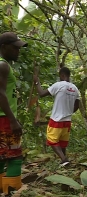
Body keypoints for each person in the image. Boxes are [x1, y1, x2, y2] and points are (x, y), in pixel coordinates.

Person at [34, 67, 80, 167]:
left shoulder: (59, 85)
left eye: (60, 76)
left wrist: (37, 82)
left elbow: (41, 94)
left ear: (62, 75)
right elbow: (77, 105)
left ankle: (64, 159)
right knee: (62, 142)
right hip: (67, 120)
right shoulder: (75, 88)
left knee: (52, 140)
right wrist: (69, 112)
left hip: (56, 119)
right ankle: (65, 161)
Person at [0, 32, 27, 194]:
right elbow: (1, 93)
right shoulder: (3, 65)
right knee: (15, 157)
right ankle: (12, 191)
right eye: (15, 48)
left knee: (1, 156)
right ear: (4, 47)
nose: (18, 52)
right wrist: (13, 120)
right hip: (4, 119)